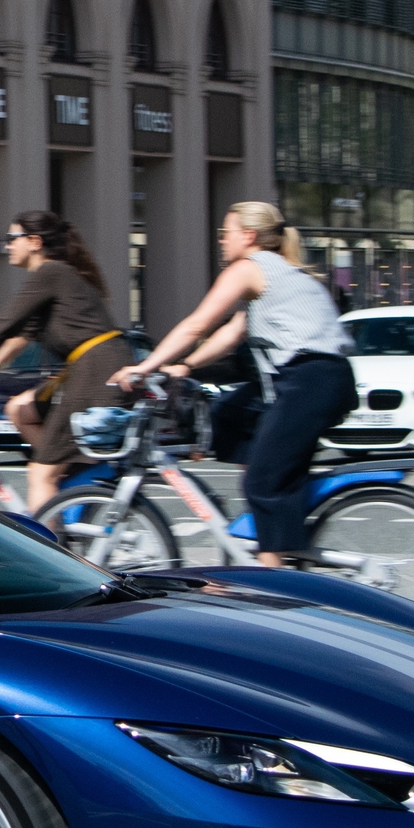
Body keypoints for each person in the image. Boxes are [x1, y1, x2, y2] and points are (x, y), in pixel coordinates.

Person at [114, 202, 352, 570]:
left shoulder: (248, 268)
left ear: (249, 237)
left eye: (226, 233)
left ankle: (276, 581)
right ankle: (273, 517)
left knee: (263, 481)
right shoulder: (281, 274)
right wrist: (186, 365)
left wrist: (144, 367)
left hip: (309, 380)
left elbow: (198, 325)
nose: (221, 241)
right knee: (227, 414)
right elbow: (230, 332)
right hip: (313, 379)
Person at [0, 210, 131, 510]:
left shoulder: (51, 272)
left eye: (11, 239)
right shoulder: (55, 277)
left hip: (97, 371)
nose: (7, 246)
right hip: (93, 367)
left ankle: (50, 545)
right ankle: (72, 480)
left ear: (34, 242)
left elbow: (3, 322)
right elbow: (25, 332)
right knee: (19, 409)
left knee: (40, 473)